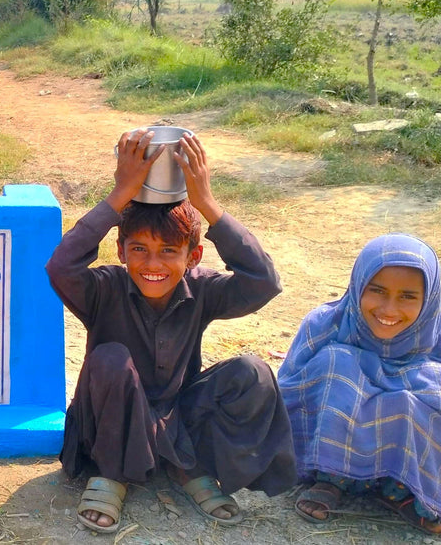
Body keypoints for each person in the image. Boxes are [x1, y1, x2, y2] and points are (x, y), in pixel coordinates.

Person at [45, 129, 296, 534]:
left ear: (193, 255)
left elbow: (263, 283)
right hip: (107, 426)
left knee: (254, 372)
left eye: (168, 251)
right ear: (122, 251)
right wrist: (120, 194)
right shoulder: (104, 288)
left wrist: (206, 203)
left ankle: (185, 468)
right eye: (139, 249)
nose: (152, 264)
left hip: (178, 419)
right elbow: (61, 268)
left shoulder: (202, 289)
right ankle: (114, 473)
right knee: (110, 358)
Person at [279, 233, 441, 535]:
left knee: (415, 399)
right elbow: (289, 392)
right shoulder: (326, 325)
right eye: (377, 291)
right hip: (333, 446)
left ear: (429, 298)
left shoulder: (435, 333)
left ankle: (399, 488)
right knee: (337, 364)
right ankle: (331, 478)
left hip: (399, 448)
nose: (389, 309)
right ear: (357, 286)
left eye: (407, 296)